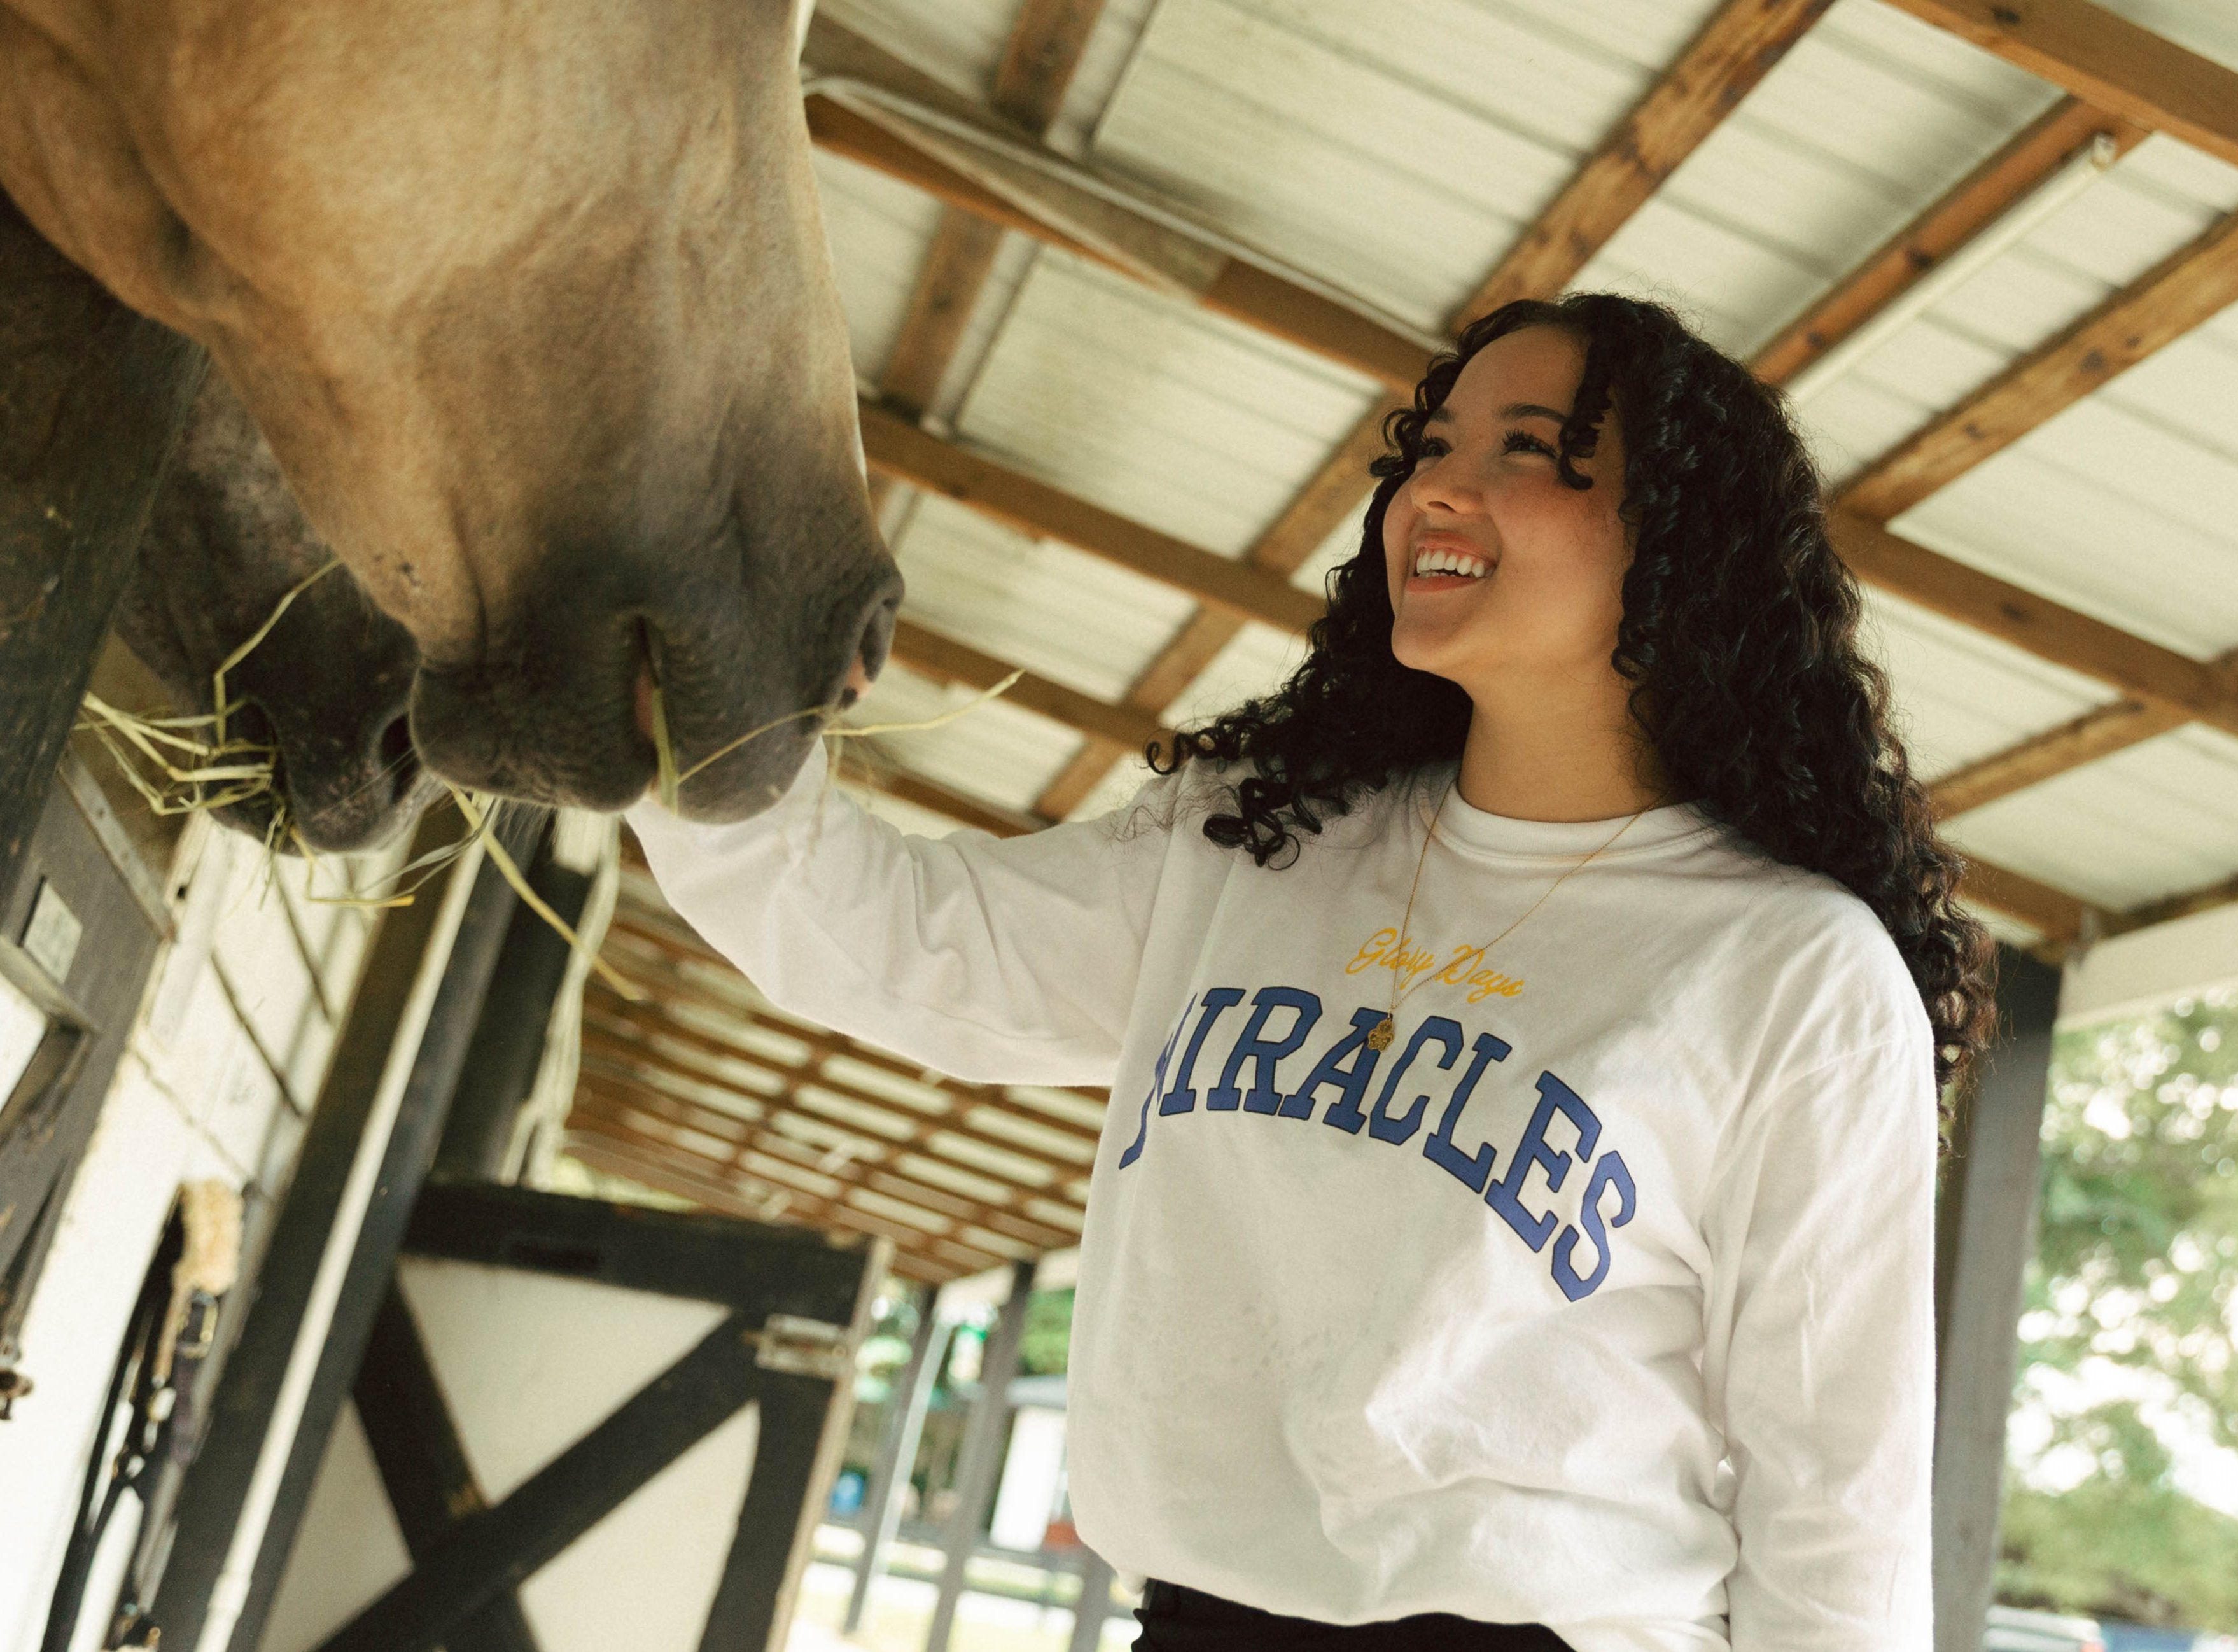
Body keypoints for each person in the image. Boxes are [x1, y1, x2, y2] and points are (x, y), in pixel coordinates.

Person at [627, 292, 1995, 1651]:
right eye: (1430, 447)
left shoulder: (1791, 970)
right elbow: (893, 943)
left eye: (1528, 449)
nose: (1438, 493)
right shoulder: (1254, 838)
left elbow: (1838, 1491)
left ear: (1678, 540)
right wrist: (668, 691)